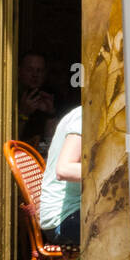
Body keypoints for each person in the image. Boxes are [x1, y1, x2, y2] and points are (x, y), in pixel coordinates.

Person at [38, 104, 81, 246]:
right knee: (126, 226)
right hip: (62, 220)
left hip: (75, 211)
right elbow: (64, 170)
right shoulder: (84, 117)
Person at [17, 51, 56, 150]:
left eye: (40, 70)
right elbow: (9, 139)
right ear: (19, 71)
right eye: (30, 70)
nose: (35, 75)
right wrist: (23, 114)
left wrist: (50, 114)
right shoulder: (10, 96)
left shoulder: (49, 96)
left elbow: (53, 142)